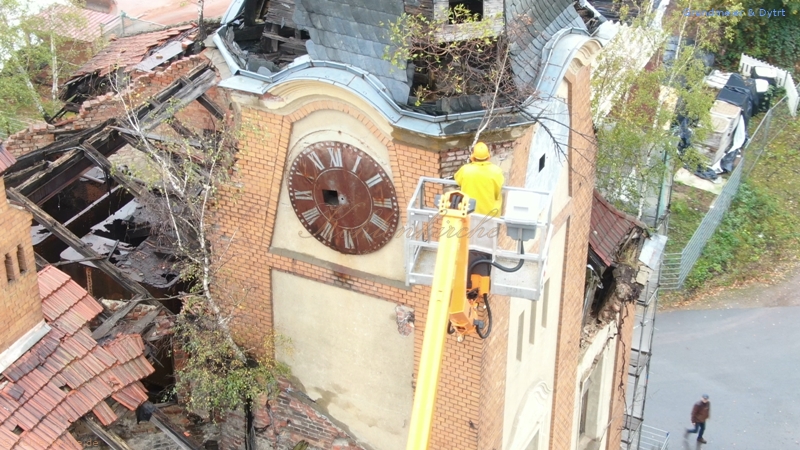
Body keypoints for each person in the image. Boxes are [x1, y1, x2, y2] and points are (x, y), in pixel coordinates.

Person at [454, 142, 505, 217]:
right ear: (488, 156)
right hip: (490, 214)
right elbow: (500, 184)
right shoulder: (496, 171)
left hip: (469, 212)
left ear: (473, 156)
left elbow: (457, 180)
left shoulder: (465, 170)